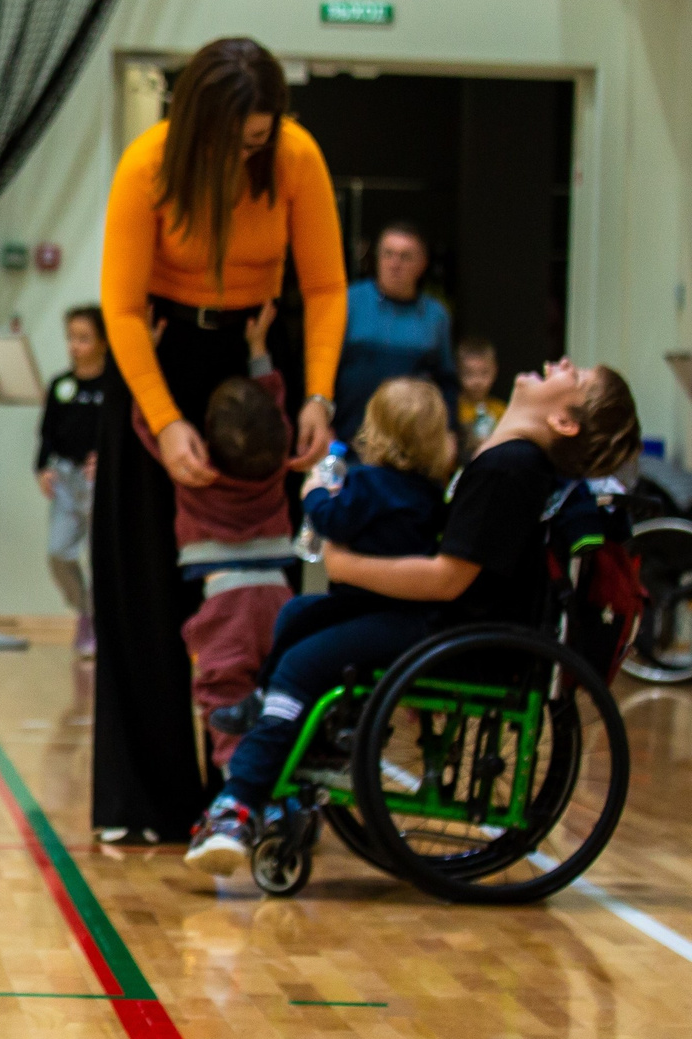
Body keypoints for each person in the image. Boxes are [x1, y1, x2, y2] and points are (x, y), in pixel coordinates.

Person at [188, 359, 642, 875]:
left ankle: (238, 804)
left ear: (564, 421)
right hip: (454, 625)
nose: (560, 363)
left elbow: (447, 579)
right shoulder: (506, 462)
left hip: (455, 633)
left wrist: (348, 567)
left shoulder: (510, 469)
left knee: (303, 664)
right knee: (303, 613)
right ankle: (292, 743)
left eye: (574, 376)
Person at [94, 38, 345, 842]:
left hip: (256, 359)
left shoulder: (296, 157)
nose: (247, 153)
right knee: (144, 585)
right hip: (161, 359)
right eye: (234, 140)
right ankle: (148, 804)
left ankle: (253, 788)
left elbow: (326, 286)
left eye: (258, 139)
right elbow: (120, 309)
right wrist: (166, 421)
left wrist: (318, 395)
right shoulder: (147, 164)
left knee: (256, 590)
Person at [209, 374, 454, 739]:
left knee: (298, 618)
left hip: (361, 602)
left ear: (374, 432)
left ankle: (265, 697)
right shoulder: (431, 494)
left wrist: (314, 493)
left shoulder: (368, 481)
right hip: (404, 610)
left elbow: (333, 522)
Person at [121, 304, 291, 818]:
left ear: (208, 437)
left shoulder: (195, 470)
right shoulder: (277, 464)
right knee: (278, 697)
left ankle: (236, 795)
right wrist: (258, 349)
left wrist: (149, 358)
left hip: (225, 602)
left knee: (224, 696)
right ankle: (282, 793)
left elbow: (150, 424)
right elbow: (275, 399)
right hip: (280, 597)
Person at [35, 305, 113, 657]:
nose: (75, 346)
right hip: (66, 479)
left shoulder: (114, 386)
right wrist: (42, 468)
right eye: (71, 338)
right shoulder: (61, 385)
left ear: (102, 342)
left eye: (84, 338)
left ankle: (98, 623)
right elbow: (46, 434)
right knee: (58, 551)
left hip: (99, 481)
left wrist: (108, 460)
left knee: (102, 557)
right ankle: (84, 610)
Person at [332, 222, 454, 444]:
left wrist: (450, 432)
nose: (394, 264)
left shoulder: (436, 315)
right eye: (388, 254)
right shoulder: (350, 301)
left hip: (412, 441)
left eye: (405, 257)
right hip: (347, 436)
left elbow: (446, 382)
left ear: (422, 264)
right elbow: (324, 366)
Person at [456, 335, 505, 447]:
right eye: (469, 374)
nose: (477, 381)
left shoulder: (500, 410)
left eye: (484, 373)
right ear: (458, 372)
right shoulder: (453, 409)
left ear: (495, 370)